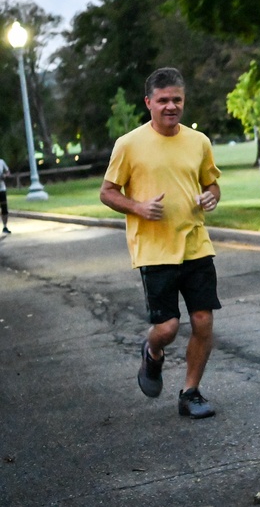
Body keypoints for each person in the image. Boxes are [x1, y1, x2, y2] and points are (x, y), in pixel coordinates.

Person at [100, 68, 222, 419]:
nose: (171, 106)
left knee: (203, 322)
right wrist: (137, 206)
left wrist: (211, 197)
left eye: (177, 100)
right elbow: (107, 192)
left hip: (196, 244)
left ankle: (190, 392)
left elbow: (211, 184)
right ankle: (152, 352)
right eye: (164, 100)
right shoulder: (128, 144)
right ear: (149, 102)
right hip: (154, 249)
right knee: (167, 328)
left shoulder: (199, 142)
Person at [0, 157, 11, 234]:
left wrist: (5, 175)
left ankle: (5, 226)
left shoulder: (1, 162)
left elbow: (8, 172)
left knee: (4, 209)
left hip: (2, 189)